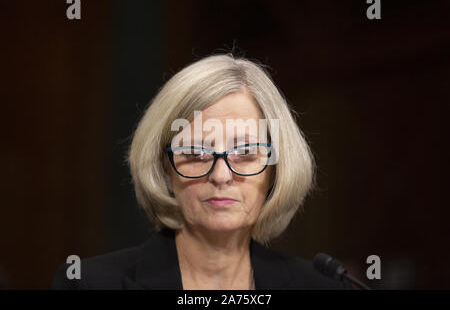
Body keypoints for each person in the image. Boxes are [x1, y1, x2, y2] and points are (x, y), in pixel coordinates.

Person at [52, 54, 349, 290]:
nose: (221, 176)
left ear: (276, 168)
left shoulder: (323, 284)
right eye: (195, 153)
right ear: (164, 166)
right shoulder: (89, 283)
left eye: (245, 153)